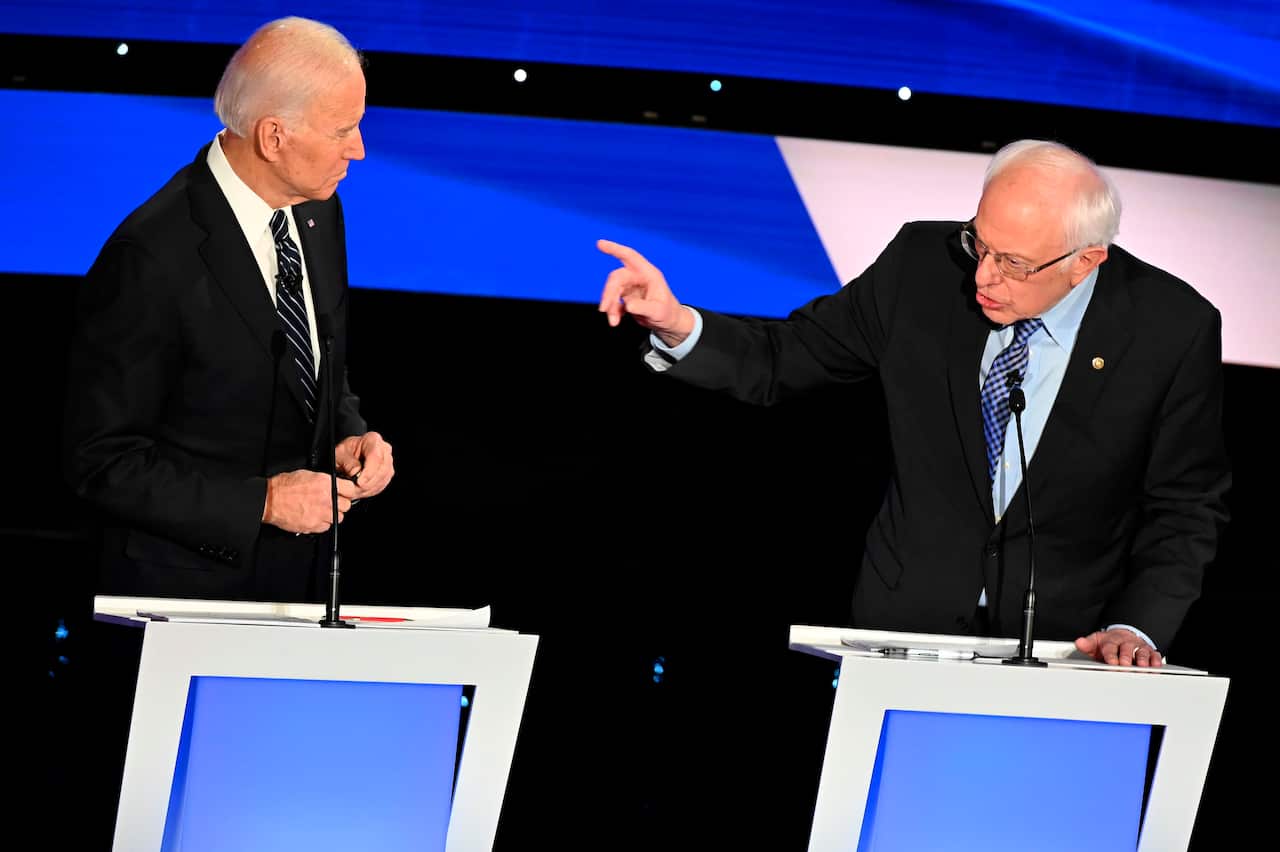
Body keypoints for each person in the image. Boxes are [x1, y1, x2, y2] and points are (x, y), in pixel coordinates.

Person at [596, 139, 1229, 668]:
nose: (983, 276)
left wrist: (1137, 627)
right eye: (978, 244)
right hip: (906, 630)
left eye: (1012, 263)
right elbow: (787, 355)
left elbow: (1186, 504)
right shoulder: (919, 269)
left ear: (1085, 261)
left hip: (1072, 647)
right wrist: (679, 323)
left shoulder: (1170, 329)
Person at [64, 16, 394, 604]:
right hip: (183, 599)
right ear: (274, 137)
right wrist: (263, 502)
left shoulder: (319, 213)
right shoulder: (152, 255)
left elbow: (315, 366)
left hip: (302, 587)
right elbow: (101, 462)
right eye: (344, 129)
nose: (360, 150)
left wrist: (348, 431)